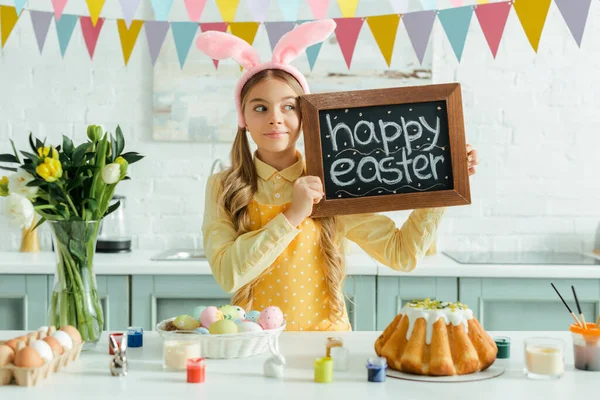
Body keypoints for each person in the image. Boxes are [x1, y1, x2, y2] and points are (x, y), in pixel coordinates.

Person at [197, 20, 479, 331]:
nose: (275, 119)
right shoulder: (224, 186)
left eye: (288, 107)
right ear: (244, 118)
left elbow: (403, 253)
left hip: (327, 347)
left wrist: (444, 178)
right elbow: (227, 274)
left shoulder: (333, 182)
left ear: (303, 115)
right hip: (253, 346)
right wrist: (293, 215)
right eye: (260, 108)